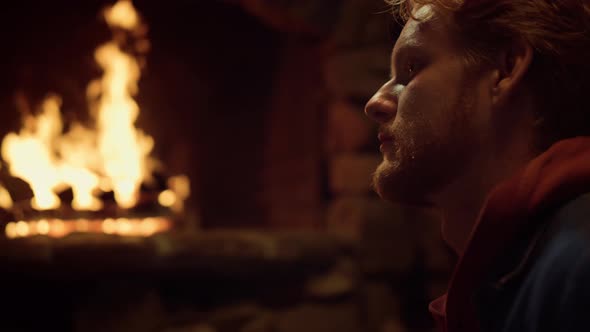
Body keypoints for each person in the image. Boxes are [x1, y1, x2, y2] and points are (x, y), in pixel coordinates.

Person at [364, 0, 590, 331]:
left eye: (412, 67)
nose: (375, 103)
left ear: (506, 69)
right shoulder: (509, 273)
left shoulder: (578, 266)